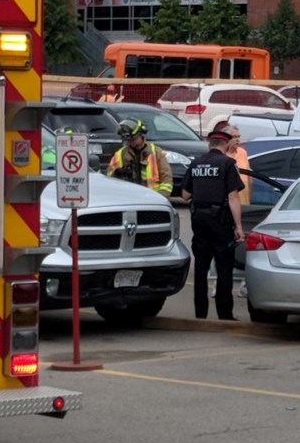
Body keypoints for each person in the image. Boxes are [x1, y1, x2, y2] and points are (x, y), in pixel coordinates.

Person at [180, 128, 246, 321]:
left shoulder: (196, 163)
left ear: (209, 144)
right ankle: (225, 314)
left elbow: (184, 195)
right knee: (224, 268)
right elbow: (233, 197)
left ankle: (200, 314)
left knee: (201, 268)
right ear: (225, 145)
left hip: (199, 220)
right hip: (220, 221)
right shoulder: (227, 164)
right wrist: (239, 227)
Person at [106, 118, 174, 197]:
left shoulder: (155, 152)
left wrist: (161, 197)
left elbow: (166, 178)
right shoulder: (120, 154)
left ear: (140, 136)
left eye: (132, 139)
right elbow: (109, 178)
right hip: (129, 197)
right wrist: (117, 174)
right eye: (128, 140)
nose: (130, 142)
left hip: (151, 198)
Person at [223, 125, 251, 205]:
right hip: (228, 202)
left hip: (244, 201)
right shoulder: (221, 155)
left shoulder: (242, 152)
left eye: (238, 136)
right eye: (234, 137)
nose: (237, 140)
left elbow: (249, 176)